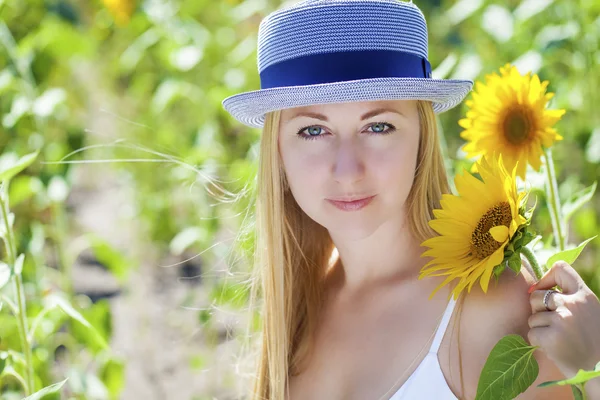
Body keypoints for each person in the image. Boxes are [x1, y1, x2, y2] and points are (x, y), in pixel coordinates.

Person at [221, 0, 600, 399]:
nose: (348, 170)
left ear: (422, 136)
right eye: (313, 131)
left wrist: (593, 372)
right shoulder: (298, 305)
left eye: (378, 126)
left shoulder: (486, 306)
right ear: (277, 150)